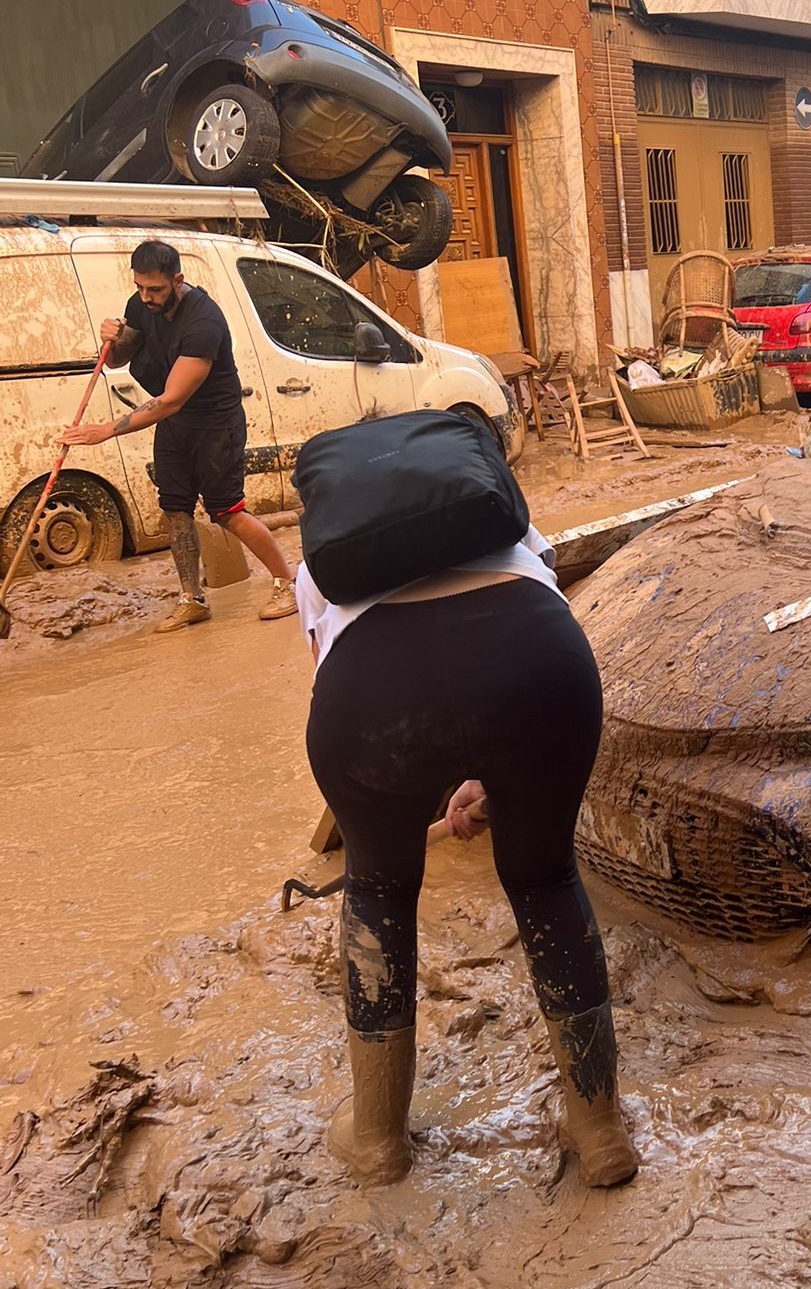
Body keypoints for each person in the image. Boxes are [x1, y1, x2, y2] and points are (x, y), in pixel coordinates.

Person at [296, 504, 638, 1192]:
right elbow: (520, 632)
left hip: (369, 694)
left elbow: (335, 674)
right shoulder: (500, 521)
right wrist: (489, 770)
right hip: (540, 662)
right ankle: (600, 1130)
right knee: (544, 877)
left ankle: (377, 1143)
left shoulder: (321, 559)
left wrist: (408, 786)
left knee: (381, 890)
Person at [60, 239, 295, 630]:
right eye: (140, 287)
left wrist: (106, 431)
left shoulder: (204, 322)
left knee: (227, 512)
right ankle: (192, 599)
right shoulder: (140, 306)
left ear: (178, 279)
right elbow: (119, 359)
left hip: (214, 424)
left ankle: (287, 583)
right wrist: (112, 338)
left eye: (156, 289)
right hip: (175, 426)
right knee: (175, 510)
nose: (146, 297)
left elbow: (170, 400)